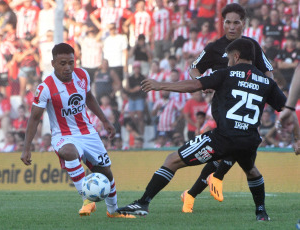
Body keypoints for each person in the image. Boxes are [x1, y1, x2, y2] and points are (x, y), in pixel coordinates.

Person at [116, 38, 292, 221]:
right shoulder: (266, 81)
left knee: (172, 160)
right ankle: (261, 213)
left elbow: (194, 85)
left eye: (230, 58)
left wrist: (161, 85)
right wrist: (297, 136)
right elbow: (288, 110)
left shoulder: (226, 74)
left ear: (236, 56)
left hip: (222, 139)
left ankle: (143, 202)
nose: (228, 62)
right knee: (252, 171)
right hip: (248, 141)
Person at [20, 43, 135, 219]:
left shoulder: (82, 75)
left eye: (71, 63)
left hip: (87, 132)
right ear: (53, 63)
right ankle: (87, 199)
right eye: (62, 63)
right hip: (63, 135)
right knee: (69, 151)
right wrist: (26, 148)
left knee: (106, 172)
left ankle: (113, 211)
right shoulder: (45, 87)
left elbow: (89, 98)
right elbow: (34, 118)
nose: (68, 68)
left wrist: (105, 121)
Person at [183, 3, 275, 216]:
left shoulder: (252, 46)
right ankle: (258, 209)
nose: (231, 27)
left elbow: (269, 72)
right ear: (222, 23)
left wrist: (266, 92)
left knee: (233, 152)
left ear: (244, 24)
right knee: (236, 146)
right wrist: (201, 82)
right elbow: (194, 68)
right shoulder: (215, 47)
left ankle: (192, 193)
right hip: (223, 107)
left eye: (236, 22)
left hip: (246, 106)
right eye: (228, 22)